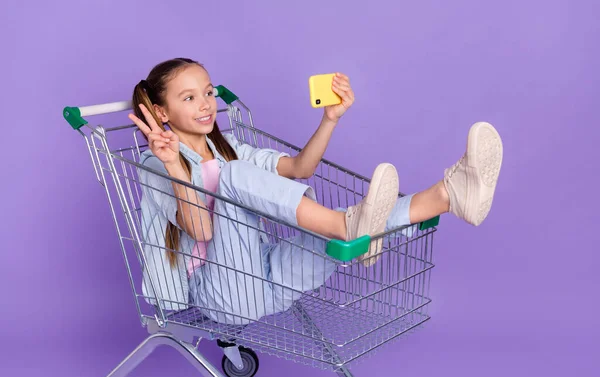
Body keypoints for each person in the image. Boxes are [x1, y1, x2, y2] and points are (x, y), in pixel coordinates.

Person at [129, 58, 503, 324]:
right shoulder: (155, 167)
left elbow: (299, 169)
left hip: (267, 271)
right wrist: (175, 164)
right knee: (238, 179)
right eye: (189, 97)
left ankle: (447, 195)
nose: (206, 103)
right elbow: (202, 231)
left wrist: (330, 119)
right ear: (161, 113)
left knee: (339, 239)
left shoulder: (228, 149)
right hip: (226, 292)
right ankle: (346, 224)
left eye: (208, 93)